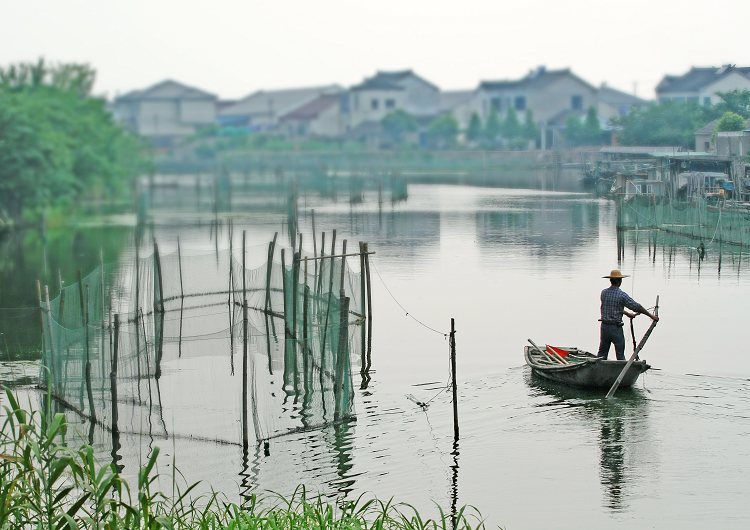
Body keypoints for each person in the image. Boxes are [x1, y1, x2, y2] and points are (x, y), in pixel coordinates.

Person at [598, 269, 658, 360]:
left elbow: (612, 307)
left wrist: (627, 314)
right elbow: (637, 307)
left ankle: (599, 369)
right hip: (615, 328)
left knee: (602, 354)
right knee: (620, 354)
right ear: (619, 281)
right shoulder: (621, 295)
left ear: (611, 281)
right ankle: (622, 370)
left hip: (604, 327)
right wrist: (652, 316)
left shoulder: (604, 293)